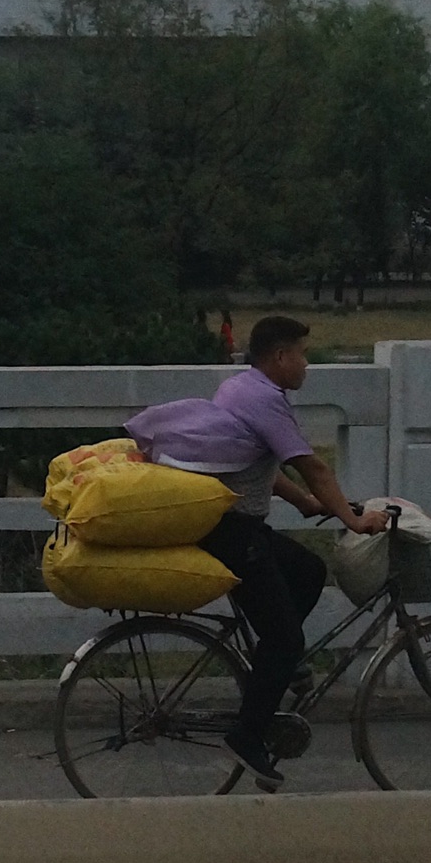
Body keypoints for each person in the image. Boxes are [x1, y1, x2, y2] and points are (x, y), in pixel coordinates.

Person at [129, 315, 383, 791]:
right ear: (281, 357)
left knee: (307, 572)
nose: (307, 364)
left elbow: (255, 460)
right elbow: (313, 466)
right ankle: (247, 734)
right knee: (286, 639)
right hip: (232, 533)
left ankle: (275, 667)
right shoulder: (267, 401)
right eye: (303, 354)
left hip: (235, 526)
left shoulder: (239, 388)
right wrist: (354, 520)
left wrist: (306, 505)